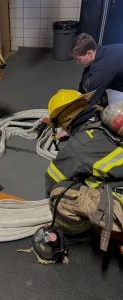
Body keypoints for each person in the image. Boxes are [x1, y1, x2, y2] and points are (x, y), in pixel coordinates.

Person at [45, 89, 123, 251]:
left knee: (58, 195)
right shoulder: (107, 119)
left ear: (64, 122)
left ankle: (81, 235)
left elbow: (53, 179)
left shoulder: (78, 145)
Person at [71, 33, 123, 106]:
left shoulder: (103, 68)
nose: (77, 63)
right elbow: (86, 76)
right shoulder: (99, 52)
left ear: (89, 54)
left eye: (79, 59)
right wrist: (79, 94)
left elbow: (89, 103)